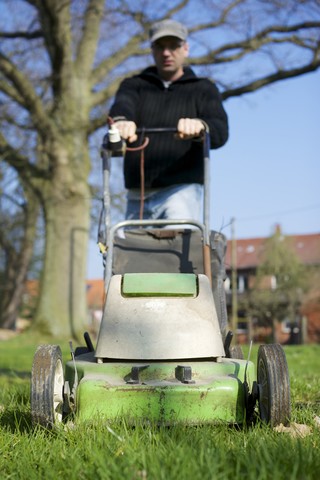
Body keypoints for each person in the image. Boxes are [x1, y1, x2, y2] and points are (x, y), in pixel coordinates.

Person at [109, 19, 228, 221]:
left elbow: (220, 132)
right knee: (133, 251)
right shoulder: (134, 85)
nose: (166, 53)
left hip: (181, 191)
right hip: (137, 194)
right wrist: (122, 122)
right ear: (152, 50)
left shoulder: (203, 88)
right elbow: (122, 107)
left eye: (173, 46)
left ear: (185, 49)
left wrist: (200, 126)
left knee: (176, 247)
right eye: (160, 47)